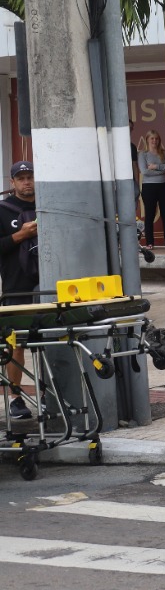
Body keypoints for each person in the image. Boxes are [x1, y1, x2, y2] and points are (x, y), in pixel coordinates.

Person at [0, 162, 38, 422]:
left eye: (30, 177)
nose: (26, 182)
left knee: (50, 342)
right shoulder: (3, 210)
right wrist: (20, 236)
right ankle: (15, 398)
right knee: (16, 344)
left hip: (49, 284)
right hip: (16, 286)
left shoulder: (50, 203)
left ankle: (50, 395)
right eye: (21, 178)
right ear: (12, 182)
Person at [138, 130, 165, 249]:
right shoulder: (143, 154)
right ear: (147, 139)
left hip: (164, 186)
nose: (155, 141)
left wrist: (155, 167)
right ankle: (149, 243)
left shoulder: (164, 153)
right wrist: (162, 171)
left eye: (157, 138)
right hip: (149, 187)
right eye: (152, 138)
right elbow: (144, 171)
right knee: (150, 215)